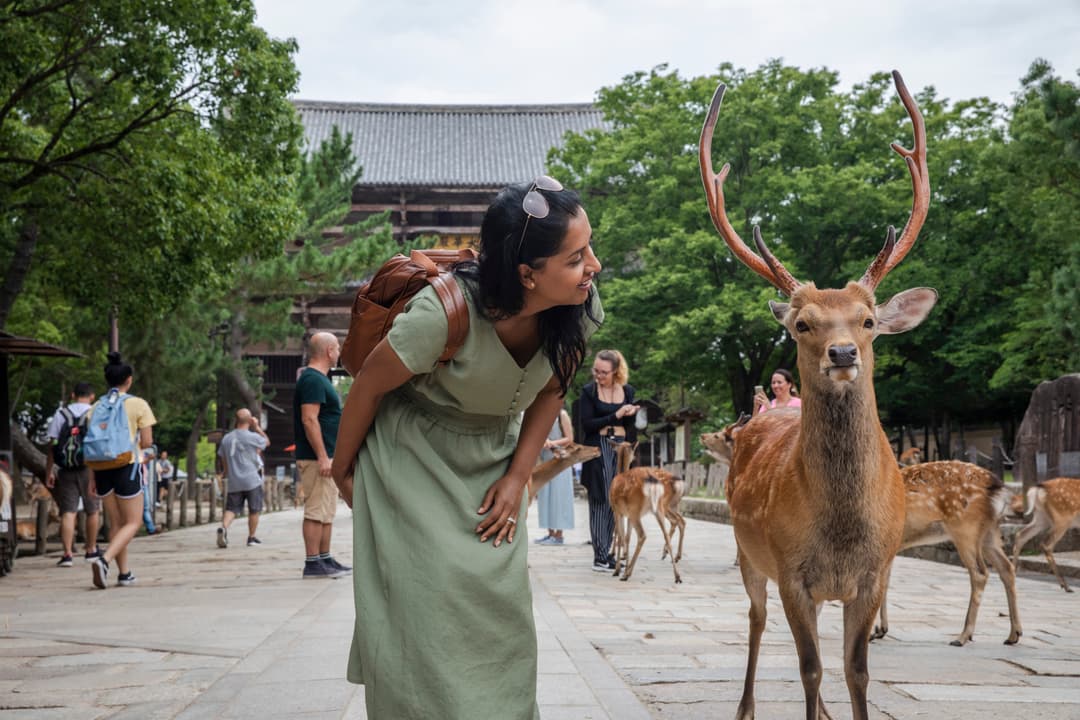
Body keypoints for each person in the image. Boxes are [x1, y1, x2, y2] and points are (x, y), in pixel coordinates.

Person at [330, 175, 602, 719]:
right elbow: (368, 386)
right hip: (414, 455)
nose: (592, 266)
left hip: (492, 457)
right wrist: (342, 472)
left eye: (589, 248)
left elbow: (552, 388)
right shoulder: (442, 313)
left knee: (499, 612)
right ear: (527, 275)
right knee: (423, 610)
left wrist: (519, 475)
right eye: (575, 258)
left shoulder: (578, 307)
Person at [88, 352, 157, 589]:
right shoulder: (138, 404)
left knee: (116, 522)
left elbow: (91, 445)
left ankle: (124, 573)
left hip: (100, 469)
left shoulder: (96, 407)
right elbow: (147, 442)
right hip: (127, 465)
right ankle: (104, 560)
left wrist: (91, 477)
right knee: (133, 522)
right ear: (129, 379)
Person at [294, 331, 350, 578]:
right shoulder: (313, 380)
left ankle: (324, 557)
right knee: (316, 510)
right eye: (337, 348)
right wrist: (323, 456)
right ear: (329, 351)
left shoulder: (321, 380)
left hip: (327, 456)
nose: (338, 353)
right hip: (318, 457)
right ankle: (312, 561)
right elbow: (309, 419)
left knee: (327, 510)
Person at [579, 349, 639, 572]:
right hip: (598, 448)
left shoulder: (628, 391)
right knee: (600, 499)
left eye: (603, 372)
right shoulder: (589, 392)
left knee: (616, 500)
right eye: (596, 370)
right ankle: (600, 555)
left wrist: (632, 414)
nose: (598, 375)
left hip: (622, 450)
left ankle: (611, 551)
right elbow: (587, 424)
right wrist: (616, 416)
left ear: (615, 371)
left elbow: (632, 427)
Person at [44, 382, 101, 567]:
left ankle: (67, 554)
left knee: (68, 512)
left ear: (72, 395)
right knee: (93, 510)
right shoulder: (95, 412)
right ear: (92, 396)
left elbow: (52, 445)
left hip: (65, 469)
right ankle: (91, 550)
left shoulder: (61, 414)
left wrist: (49, 471)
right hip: (89, 468)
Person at [217, 408, 270, 548]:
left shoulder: (226, 438)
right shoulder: (252, 436)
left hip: (234, 480)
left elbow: (223, 459)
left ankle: (224, 528)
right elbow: (266, 442)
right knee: (254, 509)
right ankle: (251, 538)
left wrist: (226, 473)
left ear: (236, 420)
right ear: (249, 420)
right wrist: (257, 427)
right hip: (251, 480)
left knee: (231, 508)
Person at [534, 407, 575, 545]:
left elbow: (569, 439)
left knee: (559, 497)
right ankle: (550, 533)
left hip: (560, 462)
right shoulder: (541, 415)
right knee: (546, 498)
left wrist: (552, 443)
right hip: (546, 460)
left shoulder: (562, 415)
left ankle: (559, 535)